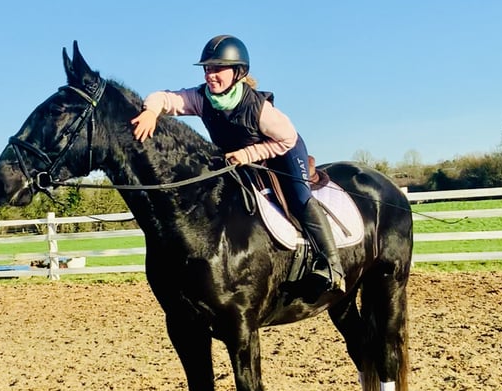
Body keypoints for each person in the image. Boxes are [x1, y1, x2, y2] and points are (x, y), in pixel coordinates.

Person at [131, 34, 345, 297]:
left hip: (281, 151)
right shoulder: (202, 97)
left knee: (300, 197)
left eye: (218, 69)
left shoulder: (259, 108)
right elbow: (164, 97)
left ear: (238, 72)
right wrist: (151, 111)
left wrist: (249, 153)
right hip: (238, 157)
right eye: (208, 69)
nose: (211, 75)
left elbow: (287, 138)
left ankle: (332, 266)